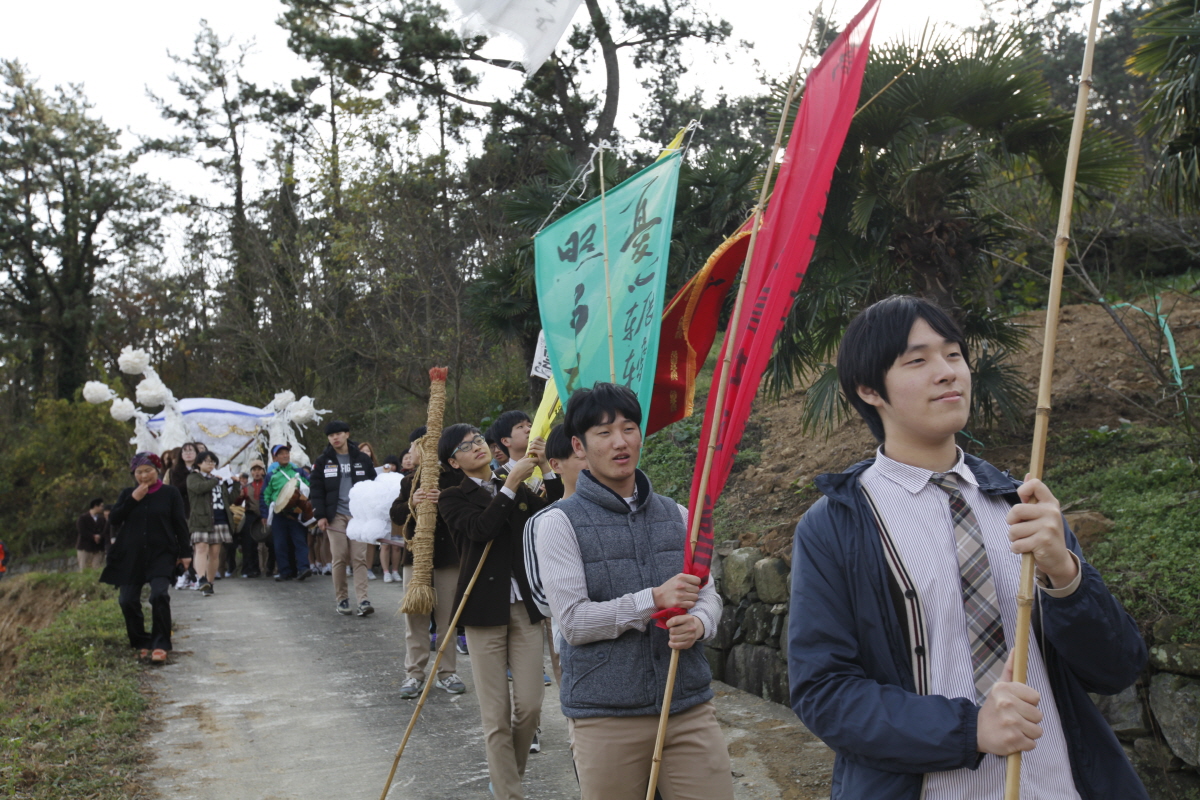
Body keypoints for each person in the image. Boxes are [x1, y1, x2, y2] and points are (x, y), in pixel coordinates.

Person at [788, 295, 1149, 800]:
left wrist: (1066, 577)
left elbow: (1116, 668)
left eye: (954, 354)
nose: (947, 372)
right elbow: (824, 693)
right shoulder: (837, 526)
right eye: (918, 360)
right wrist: (970, 728)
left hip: (1058, 784)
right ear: (870, 389)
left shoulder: (1021, 504)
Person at [534, 383, 731, 800]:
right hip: (607, 718)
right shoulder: (558, 523)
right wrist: (652, 600)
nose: (620, 442)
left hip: (688, 707)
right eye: (604, 433)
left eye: (628, 428)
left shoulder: (678, 515)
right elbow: (573, 622)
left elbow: (709, 593)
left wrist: (699, 622)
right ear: (579, 445)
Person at [437, 423, 562, 800]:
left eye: (478, 440)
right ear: (453, 462)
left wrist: (548, 471)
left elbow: (554, 514)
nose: (476, 447)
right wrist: (510, 485)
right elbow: (481, 529)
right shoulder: (451, 498)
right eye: (465, 446)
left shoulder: (518, 486)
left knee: (529, 706)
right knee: (496, 714)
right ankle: (510, 794)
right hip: (482, 614)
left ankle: (507, 777)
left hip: (525, 608)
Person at [389, 427, 465, 698]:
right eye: (415, 447)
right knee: (415, 618)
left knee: (447, 619)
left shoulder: (455, 477)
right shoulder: (409, 481)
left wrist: (442, 502)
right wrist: (413, 501)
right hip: (415, 559)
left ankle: (447, 672)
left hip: (447, 558)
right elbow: (397, 514)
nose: (414, 452)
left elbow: (464, 514)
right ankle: (414, 674)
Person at [101, 453, 191, 665]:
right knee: (127, 600)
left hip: (162, 553)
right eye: (138, 472)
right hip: (131, 556)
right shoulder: (127, 494)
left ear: (157, 470)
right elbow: (114, 519)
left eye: (148, 471)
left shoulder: (170, 493)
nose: (143, 476)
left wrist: (185, 553)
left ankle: (160, 644)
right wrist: (134, 499)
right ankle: (142, 641)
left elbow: (180, 524)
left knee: (159, 595)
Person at [310, 420, 378, 616]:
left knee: (359, 557)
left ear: (347, 434)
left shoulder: (362, 459)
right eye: (331, 435)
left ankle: (363, 600)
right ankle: (342, 599)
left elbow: (373, 485)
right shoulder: (323, 461)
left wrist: (373, 513)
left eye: (338, 434)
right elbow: (316, 489)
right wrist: (320, 515)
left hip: (359, 515)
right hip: (335, 515)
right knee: (339, 557)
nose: (335, 438)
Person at [186, 451, 240, 597]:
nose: (211, 464)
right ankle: (201, 578)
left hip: (220, 518)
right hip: (201, 519)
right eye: (207, 461)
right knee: (201, 548)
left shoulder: (218, 479)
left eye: (213, 462)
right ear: (199, 463)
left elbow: (228, 499)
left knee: (215, 553)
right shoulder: (193, 477)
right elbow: (199, 488)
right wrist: (216, 480)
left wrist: (236, 484)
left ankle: (209, 584)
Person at [262, 444, 314, 582]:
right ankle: (285, 571)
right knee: (280, 544)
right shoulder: (271, 476)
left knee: (300, 541)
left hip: (296, 513)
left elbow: (309, 486)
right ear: (275, 457)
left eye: (286, 453)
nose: (285, 455)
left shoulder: (299, 472)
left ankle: (303, 568)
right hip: (279, 514)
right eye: (281, 453)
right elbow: (265, 495)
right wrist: (266, 512)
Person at [357, 440, 382, 580]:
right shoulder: (353, 466)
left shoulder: (377, 469)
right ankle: (354, 566)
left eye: (368, 451)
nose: (365, 453)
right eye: (363, 451)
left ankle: (369, 568)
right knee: (356, 538)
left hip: (372, 506)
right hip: (357, 506)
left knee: (371, 538)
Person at [75, 497, 108, 571]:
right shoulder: (83, 518)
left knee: (97, 569)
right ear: (96, 506)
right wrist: (93, 536)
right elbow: (82, 531)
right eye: (101, 506)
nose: (102, 508)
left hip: (98, 548)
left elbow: (105, 531)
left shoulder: (102, 519)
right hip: (85, 548)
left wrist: (100, 536)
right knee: (84, 569)